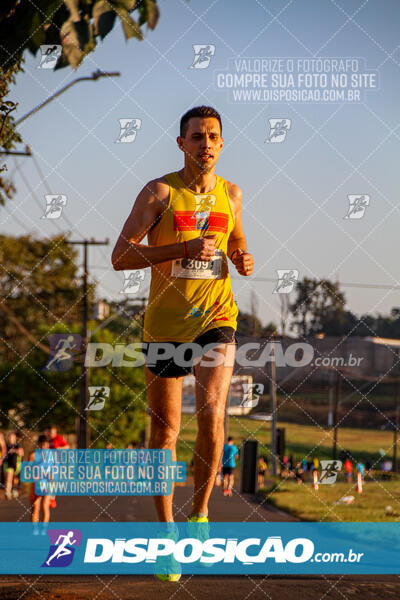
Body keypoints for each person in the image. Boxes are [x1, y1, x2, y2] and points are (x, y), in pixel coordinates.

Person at [112, 105, 254, 582]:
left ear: (220, 143)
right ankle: (167, 536)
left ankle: (200, 517)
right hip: (166, 325)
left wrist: (242, 256)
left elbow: (236, 241)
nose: (206, 145)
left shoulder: (232, 193)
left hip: (217, 317)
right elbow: (120, 257)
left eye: (213, 137)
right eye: (197, 137)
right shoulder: (159, 192)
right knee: (166, 433)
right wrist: (181, 248)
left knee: (213, 413)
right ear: (181, 144)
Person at [29, 434, 52, 534]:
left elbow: (55, 470)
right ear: (39, 444)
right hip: (37, 483)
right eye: (42, 444)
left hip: (48, 483)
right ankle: (35, 528)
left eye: (46, 444)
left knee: (45, 506)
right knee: (35, 506)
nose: (44, 447)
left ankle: (44, 528)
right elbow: (28, 469)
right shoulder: (34, 455)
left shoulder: (51, 455)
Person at [45, 426, 69, 509]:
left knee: (53, 480)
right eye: (50, 432)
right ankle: (48, 496)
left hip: (56, 462)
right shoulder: (48, 439)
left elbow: (67, 447)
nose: (51, 434)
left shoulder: (59, 438)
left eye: (53, 432)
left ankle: (52, 498)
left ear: (55, 432)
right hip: (48, 462)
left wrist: (59, 448)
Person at [3, 432, 24, 500]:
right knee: (9, 478)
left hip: (17, 464)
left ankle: (14, 489)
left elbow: (21, 453)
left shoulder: (18, 445)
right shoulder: (6, 446)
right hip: (9, 464)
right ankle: (7, 492)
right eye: (10, 437)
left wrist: (15, 451)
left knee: (15, 480)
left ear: (15, 438)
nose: (10, 438)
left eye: (12, 437)